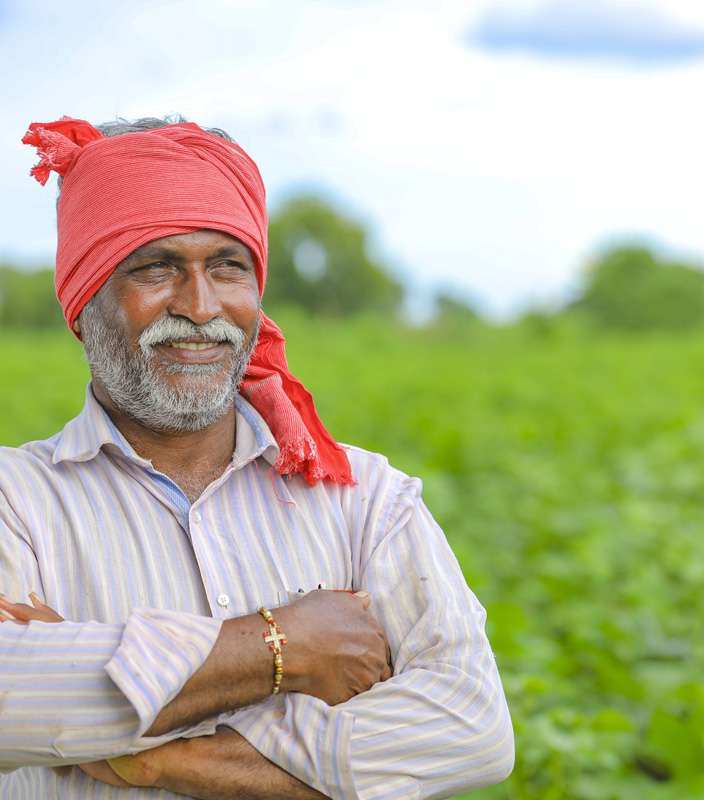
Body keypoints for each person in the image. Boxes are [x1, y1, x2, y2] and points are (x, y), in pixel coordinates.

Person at [0, 115, 514, 799]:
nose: (200, 305)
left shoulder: (364, 497)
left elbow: (471, 729)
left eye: (227, 267)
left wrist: (160, 759)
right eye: (156, 267)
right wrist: (283, 647)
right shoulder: (16, 498)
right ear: (85, 297)